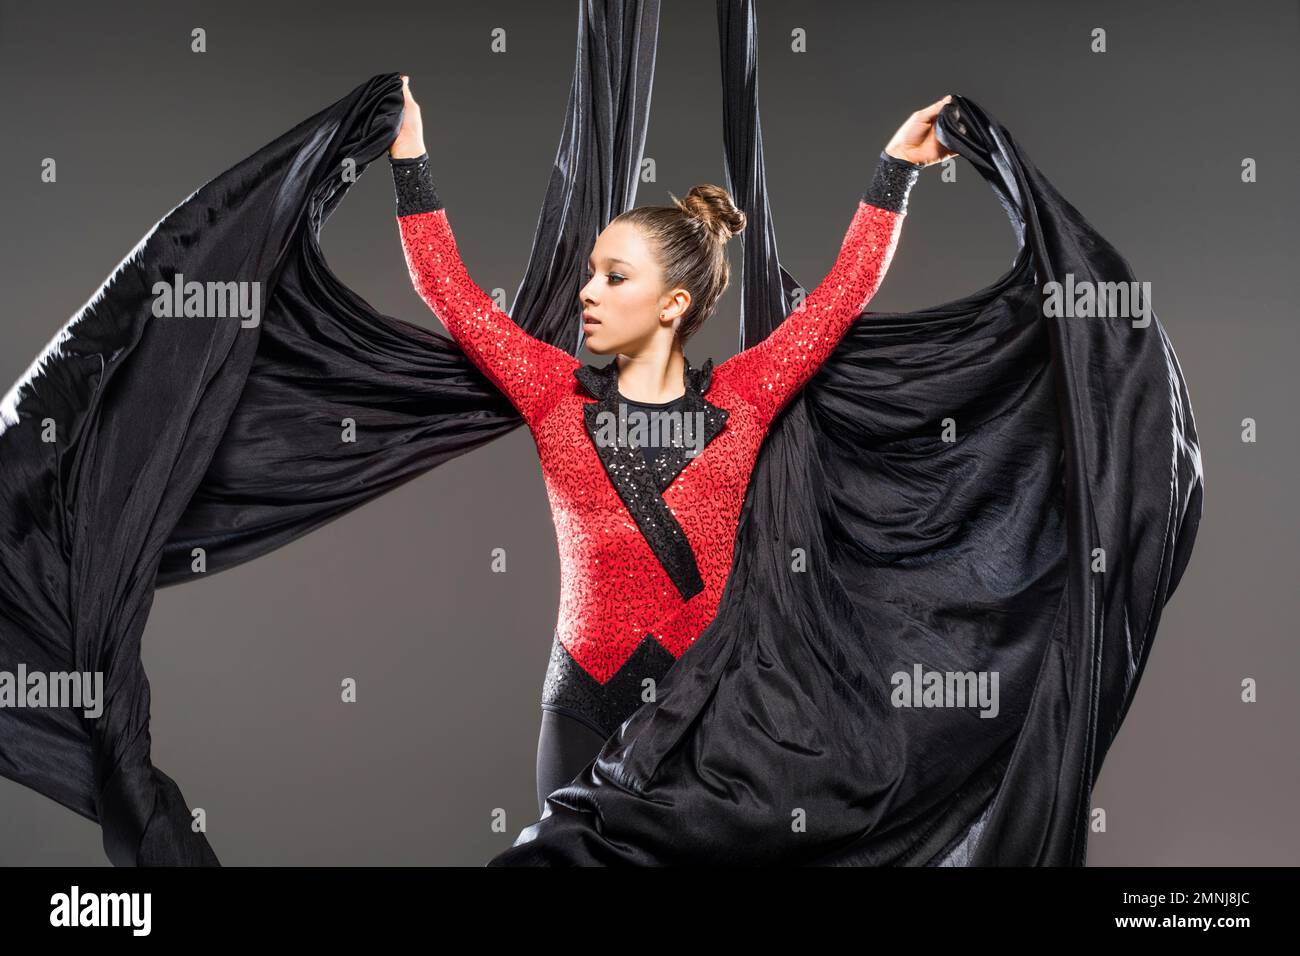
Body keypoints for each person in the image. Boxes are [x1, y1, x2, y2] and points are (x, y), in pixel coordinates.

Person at [387, 75, 953, 814]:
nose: (586, 291)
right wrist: (410, 159)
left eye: (613, 277)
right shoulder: (556, 396)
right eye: (591, 272)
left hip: (706, 710)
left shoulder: (744, 398)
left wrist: (895, 170)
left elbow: (845, 293)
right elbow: (450, 292)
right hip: (580, 709)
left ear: (673, 304)